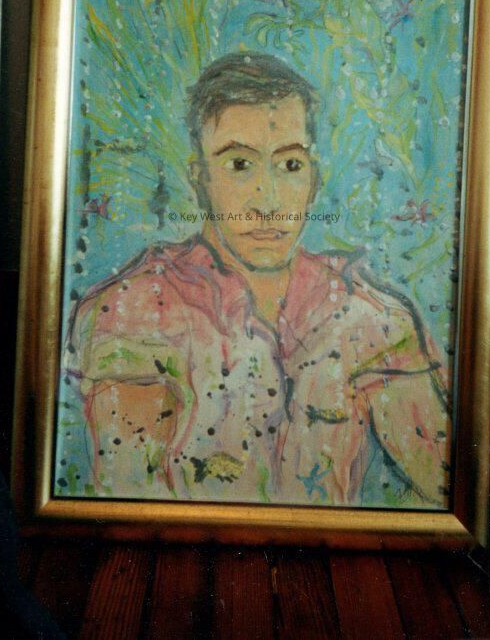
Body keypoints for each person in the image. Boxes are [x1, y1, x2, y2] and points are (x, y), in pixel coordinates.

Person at [64, 52, 451, 508]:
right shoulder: (136, 311)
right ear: (199, 179)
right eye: (239, 164)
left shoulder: (370, 319)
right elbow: (127, 500)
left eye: (290, 165)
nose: (267, 202)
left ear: (314, 179)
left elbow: (444, 495)